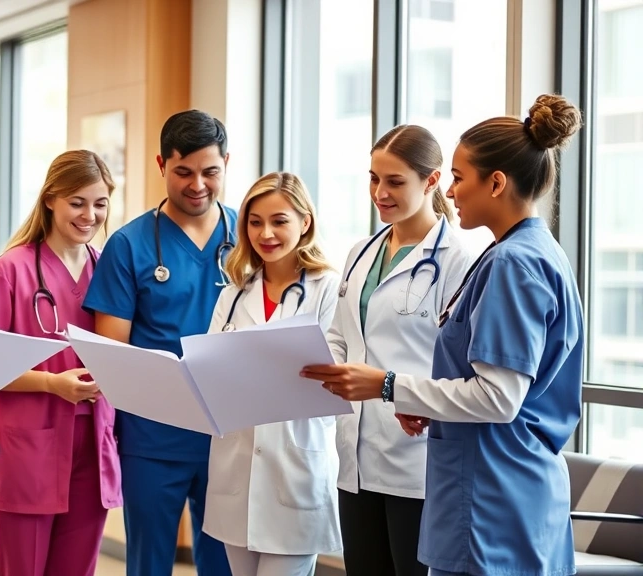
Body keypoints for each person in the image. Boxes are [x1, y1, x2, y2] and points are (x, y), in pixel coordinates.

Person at [303, 94, 584, 576]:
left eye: (457, 177)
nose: (450, 193)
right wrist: (424, 405)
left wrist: (388, 386)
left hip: (493, 491)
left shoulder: (513, 264)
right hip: (497, 481)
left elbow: (499, 397)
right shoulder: (531, 252)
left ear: (496, 182)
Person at [83, 109, 235, 576]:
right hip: (154, 435)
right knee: (149, 562)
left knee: (224, 563)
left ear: (227, 163)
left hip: (230, 432)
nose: (198, 185)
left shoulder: (248, 235)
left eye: (210, 172)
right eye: (183, 172)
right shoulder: (129, 245)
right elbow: (114, 356)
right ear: (160, 165)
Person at [320, 125, 475, 576]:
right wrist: (328, 366)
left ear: (431, 181)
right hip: (355, 455)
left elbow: (456, 364)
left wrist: (400, 394)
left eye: (394, 182)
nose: (380, 193)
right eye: (373, 179)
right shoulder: (360, 252)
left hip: (416, 456)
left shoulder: (456, 260)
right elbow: (341, 333)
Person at [0, 149, 123, 576]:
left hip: (94, 447)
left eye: (100, 203)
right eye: (77, 202)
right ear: (50, 200)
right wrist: (50, 384)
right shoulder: (10, 271)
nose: (89, 215)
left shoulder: (107, 271)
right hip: (27, 450)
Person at [202, 172, 342, 576]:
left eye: (279, 221)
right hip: (237, 471)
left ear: (305, 222)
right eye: (255, 221)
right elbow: (211, 372)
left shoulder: (329, 289)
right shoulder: (233, 295)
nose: (266, 233)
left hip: (294, 468)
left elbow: (332, 376)